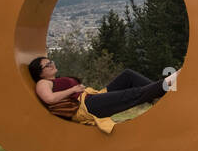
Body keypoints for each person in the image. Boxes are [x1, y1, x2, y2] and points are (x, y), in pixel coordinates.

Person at [28, 57, 173, 135]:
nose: (51, 64)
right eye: (47, 65)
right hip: (86, 106)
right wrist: (72, 89)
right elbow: (49, 99)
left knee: (128, 76)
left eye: (50, 62)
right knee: (131, 95)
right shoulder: (43, 83)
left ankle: (159, 99)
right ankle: (171, 80)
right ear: (39, 73)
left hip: (92, 97)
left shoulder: (53, 80)